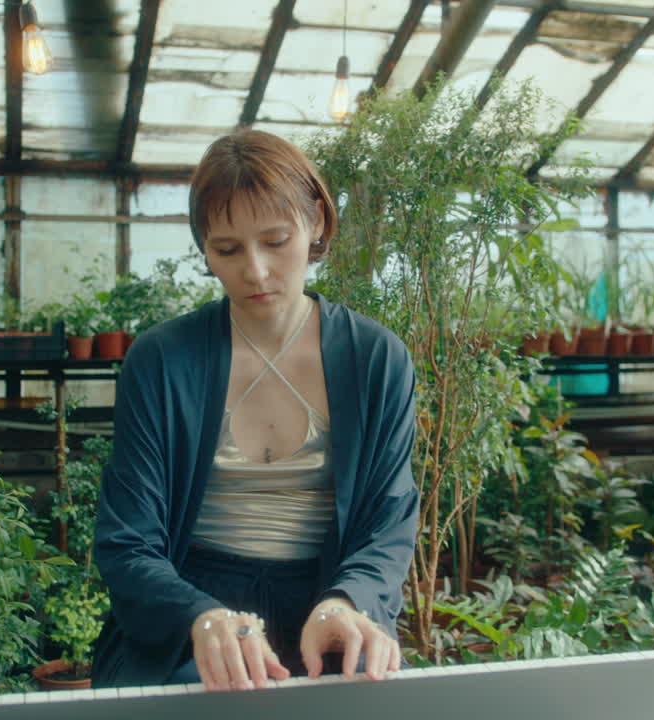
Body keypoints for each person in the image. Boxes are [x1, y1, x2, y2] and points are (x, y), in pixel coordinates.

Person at [91, 129, 418, 691]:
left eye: (276, 239)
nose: (257, 270)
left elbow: (388, 521)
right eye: (227, 249)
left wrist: (348, 599)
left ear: (316, 221)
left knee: (374, 693)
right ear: (204, 249)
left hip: (327, 600)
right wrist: (199, 615)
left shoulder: (375, 357)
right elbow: (128, 539)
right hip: (192, 611)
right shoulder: (163, 360)